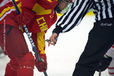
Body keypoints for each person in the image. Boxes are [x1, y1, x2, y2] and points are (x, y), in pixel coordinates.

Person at [0, 0, 72, 76]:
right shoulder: (50, 2)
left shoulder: (52, 17)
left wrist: (41, 55)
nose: (67, 7)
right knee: (26, 59)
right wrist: (27, 9)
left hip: (10, 25)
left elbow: (39, 35)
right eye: (67, 3)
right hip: (6, 19)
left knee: (17, 62)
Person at [48, 0, 114, 76]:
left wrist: (58, 29)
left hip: (107, 23)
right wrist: (108, 53)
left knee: (86, 64)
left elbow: (78, 9)